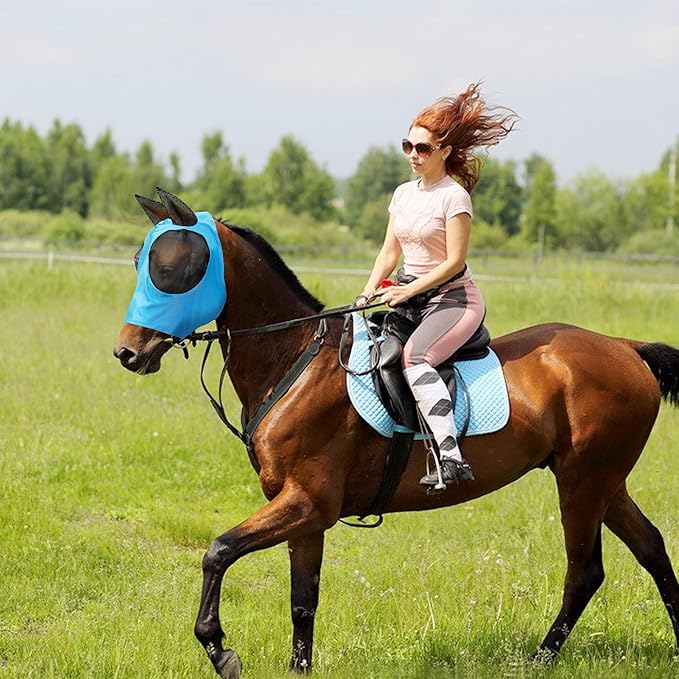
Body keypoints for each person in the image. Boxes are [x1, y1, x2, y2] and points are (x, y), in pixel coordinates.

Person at [355, 83, 517, 490]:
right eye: (408, 145)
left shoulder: (454, 198)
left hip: (453, 300)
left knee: (416, 357)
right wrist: (367, 291)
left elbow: (454, 262)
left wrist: (407, 291)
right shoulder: (402, 194)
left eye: (423, 148)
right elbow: (388, 254)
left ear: (444, 152)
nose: (413, 154)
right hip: (409, 297)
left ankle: (450, 457)